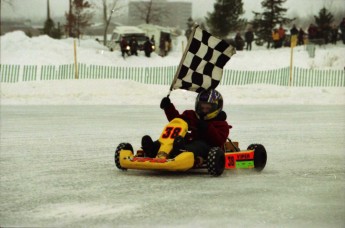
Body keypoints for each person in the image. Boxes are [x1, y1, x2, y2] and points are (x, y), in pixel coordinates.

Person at [141, 89, 230, 166]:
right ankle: (153, 148)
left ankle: (180, 152)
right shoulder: (191, 114)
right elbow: (176, 121)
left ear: (216, 108)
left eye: (208, 107)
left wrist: (207, 127)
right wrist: (168, 107)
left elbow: (218, 141)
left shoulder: (221, 123)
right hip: (184, 142)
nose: (204, 110)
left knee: (199, 145)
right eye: (202, 106)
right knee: (171, 140)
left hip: (206, 147)